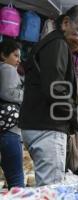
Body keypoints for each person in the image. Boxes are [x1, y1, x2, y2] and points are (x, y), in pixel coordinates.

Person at [19, 5, 78, 186]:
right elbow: (56, 90)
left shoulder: (53, 44)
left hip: (40, 125)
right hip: (47, 127)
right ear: (66, 23)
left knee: (48, 188)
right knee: (51, 190)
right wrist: (76, 116)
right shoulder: (57, 45)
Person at [0, 40, 24, 188]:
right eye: (15, 55)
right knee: (16, 180)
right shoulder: (7, 69)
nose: (18, 60)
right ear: (3, 55)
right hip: (9, 130)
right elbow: (8, 93)